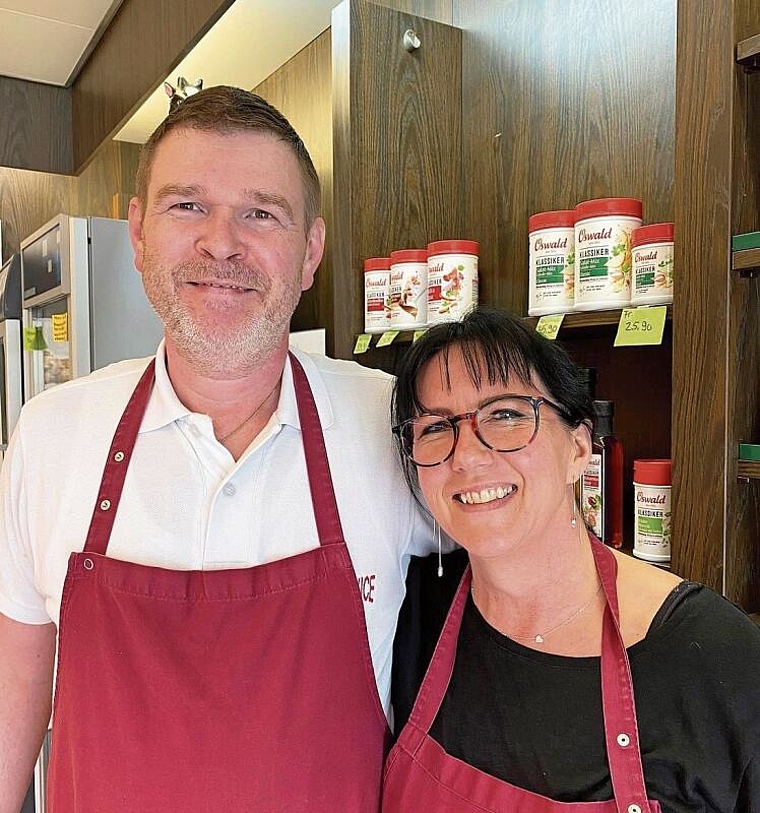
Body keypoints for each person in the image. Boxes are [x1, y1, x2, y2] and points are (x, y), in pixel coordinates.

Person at [0, 86, 435, 812]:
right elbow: (15, 681)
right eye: (187, 205)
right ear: (137, 233)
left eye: (261, 212)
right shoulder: (50, 436)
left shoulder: (394, 422)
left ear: (309, 253)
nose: (222, 242)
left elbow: (535, 570)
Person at [384, 306, 760, 812]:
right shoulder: (407, 617)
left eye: (507, 414)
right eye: (436, 427)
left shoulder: (717, 657)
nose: (467, 456)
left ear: (581, 447)